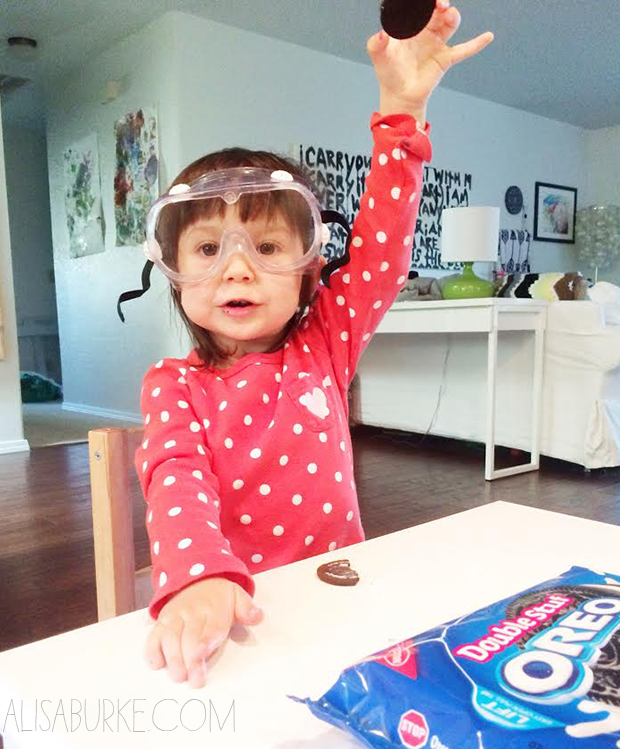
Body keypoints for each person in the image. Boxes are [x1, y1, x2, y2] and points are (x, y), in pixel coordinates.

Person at [133, 0, 493, 689]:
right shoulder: (173, 384)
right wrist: (199, 577)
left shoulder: (326, 341)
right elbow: (176, 477)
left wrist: (401, 115)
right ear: (173, 272)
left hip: (342, 598)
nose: (237, 268)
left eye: (268, 247)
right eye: (207, 249)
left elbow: (382, 251)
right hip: (242, 614)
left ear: (308, 270)